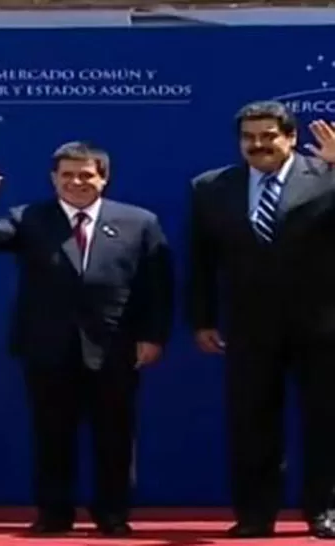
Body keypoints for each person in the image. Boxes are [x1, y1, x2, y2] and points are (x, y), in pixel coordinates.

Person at [0, 142, 173, 537]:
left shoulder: (139, 222)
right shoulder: (30, 218)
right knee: (52, 434)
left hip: (115, 347)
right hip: (47, 346)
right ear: (54, 178)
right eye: (67, 175)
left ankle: (112, 513)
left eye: (86, 174)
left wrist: (153, 336)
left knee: (116, 436)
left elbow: (156, 287)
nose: (77, 182)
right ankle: (54, 514)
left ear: (103, 177)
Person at [187, 101, 335, 539]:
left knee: (326, 421)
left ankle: (325, 510)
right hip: (249, 328)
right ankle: (255, 514)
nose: (258, 144)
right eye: (250, 137)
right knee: (252, 423)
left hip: (323, 326)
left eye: (268, 135)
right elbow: (202, 260)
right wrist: (203, 318)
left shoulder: (328, 174)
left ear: (290, 137)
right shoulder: (211, 187)